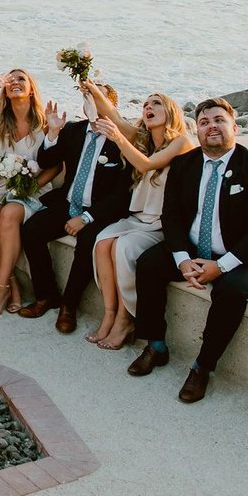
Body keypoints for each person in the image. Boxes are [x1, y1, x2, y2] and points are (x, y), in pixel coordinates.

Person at [128, 97, 248, 403]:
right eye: (203, 122)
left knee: (230, 291)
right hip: (192, 250)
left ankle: (202, 367)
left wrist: (221, 266)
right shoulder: (185, 164)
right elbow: (170, 215)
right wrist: (182, 259)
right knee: (148, 264)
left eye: (218, 120)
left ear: (234, 128)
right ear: (196, 131)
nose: (211, 126)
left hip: (242, 256)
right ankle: (156, 345)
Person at [18, 81, 134, 334]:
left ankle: (69, 306)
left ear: (111, 106)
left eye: (97, 98)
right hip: (68, 202)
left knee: (87, 243)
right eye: (87, 97)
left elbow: (121, 195)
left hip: (101, 211)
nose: (91, 102)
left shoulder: (122, 141)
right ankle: (46, 295)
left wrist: (87, 218)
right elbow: (47, 161)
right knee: (31, 230)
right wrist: (52, 134)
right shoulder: (73, 130)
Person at [85, 87, 196, 349]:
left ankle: (127, 318)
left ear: (171, 111)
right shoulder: (142, 140)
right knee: (101, 243)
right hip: (138, 218)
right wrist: (88, 85)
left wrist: (118, 139)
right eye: (146, 104)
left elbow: (146, 164)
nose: (149, 107)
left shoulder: (182, 142)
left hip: (161, 222)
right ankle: (110, 312)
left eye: (156, 103)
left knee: (123, 248)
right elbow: (113, 114)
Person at [0, 68, 57, 318]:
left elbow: (58, 164)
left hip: (35, 187)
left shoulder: (45, 120)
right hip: (3, 184)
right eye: (10, 79)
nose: (15, 82)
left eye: (21, 79)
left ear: (31, 88)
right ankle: (12, 284)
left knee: (9, 214)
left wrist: (31, 187)